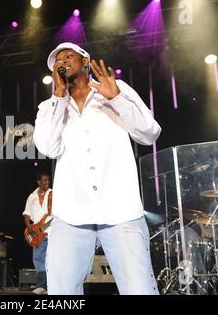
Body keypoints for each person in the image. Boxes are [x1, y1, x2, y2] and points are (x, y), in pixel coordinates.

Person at [33, 42, 162, 295]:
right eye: (58, 62)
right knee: (61, 292)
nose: (63, 62)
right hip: (71, 214)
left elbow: (150, 133)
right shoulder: (49, 108)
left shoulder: (115, 90)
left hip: (121, 209)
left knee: (140, 289)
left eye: (69, 56)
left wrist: (116, 98)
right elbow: (48, 146)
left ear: (85, 61)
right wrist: (58, 98)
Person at [23, 172, 52, 295]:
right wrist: (29, 226)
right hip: (36, 232)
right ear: (38, 182)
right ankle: (41, 286)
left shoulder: (53, 194)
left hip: (51, 231)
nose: (46, 183)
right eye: (44, 181)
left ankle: (52, 286)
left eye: (48, 181)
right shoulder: (32, 196)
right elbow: (26, 213)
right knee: (38, 259)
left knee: (51, 260)